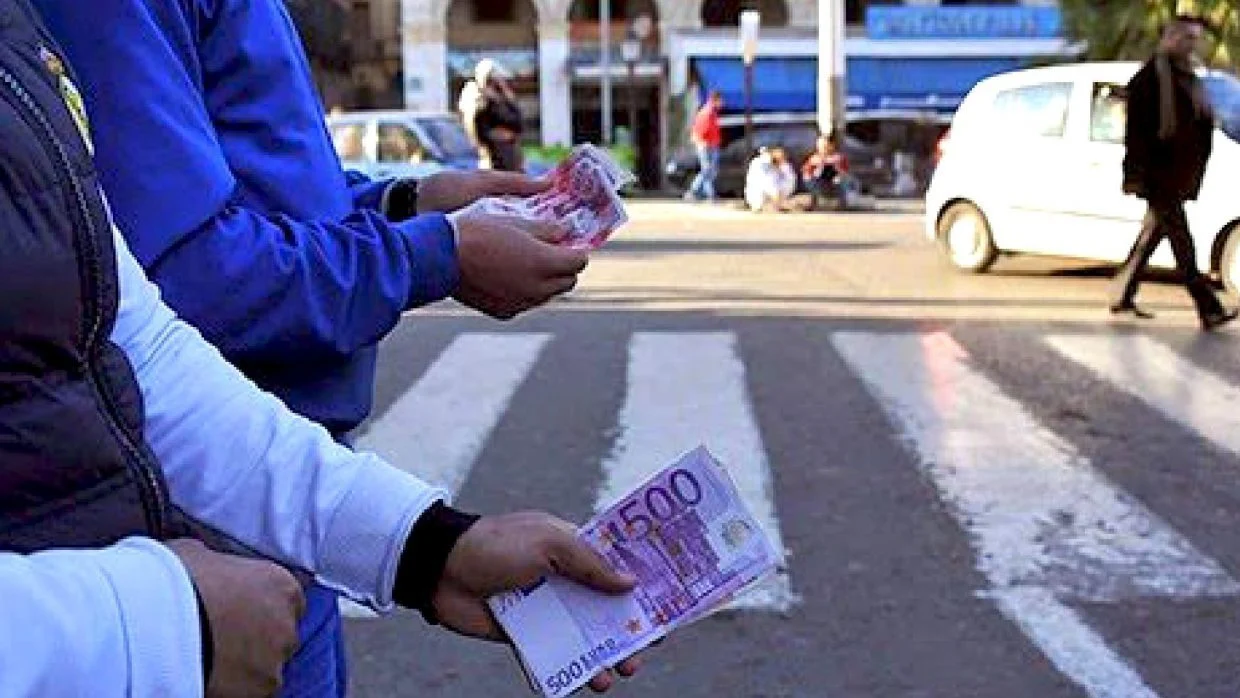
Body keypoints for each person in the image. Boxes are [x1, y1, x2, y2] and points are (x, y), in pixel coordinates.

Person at [0, 5, 642, 694]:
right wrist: (149, 623)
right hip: (176, 586)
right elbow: (190, 271)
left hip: (237, 557)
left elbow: (135, 346)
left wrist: (427, 547)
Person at [1111, 14, 1237, 330]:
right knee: (1183, 244)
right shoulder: (1149, 81)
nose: (1190, 44)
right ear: (1168, 38)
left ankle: (1121, 293)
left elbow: (1199, 124)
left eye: (1194, 39)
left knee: (1150, 237)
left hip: (1180, 174)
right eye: (1185, 38)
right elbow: (1136, 135)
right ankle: (1208, 307)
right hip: (1159, 176)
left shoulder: (1186, 77)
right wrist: (1136, 176)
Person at [460, 59, 525, 172]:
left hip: (511, 156)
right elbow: (478, 131)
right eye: (492, 79)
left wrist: (507, 99)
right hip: (492, 157)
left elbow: (519, 124)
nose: (498, 82)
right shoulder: (477, 98)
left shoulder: (504, 99)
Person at [801, 133, 859, 210]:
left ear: (831, 146)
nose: (822, 148)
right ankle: (813, 203)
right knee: (807, 177)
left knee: (841, 178)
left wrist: (836, 170)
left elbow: (845, 172)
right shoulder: (814, 158)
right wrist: (815, 168)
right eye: (820, 146)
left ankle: (843, 204)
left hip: (835, 184)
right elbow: (805, 171)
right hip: (820, 184)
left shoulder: (839, 158)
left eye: (825, 146)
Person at [685, 90, 724, 202]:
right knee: (708, 170)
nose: (722, 103)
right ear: (715, 100)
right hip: (707, 144)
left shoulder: (709, 112)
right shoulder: (708, 113)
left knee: (708, 170)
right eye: (720, 101)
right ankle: (702, 193)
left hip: (709, 144)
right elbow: (702, 129)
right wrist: (703, 142)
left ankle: (702, 193)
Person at [744, 147, 798, 212]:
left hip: (779, 198)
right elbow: (769, 186)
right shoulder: (760, 164)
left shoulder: (784, 165)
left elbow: (790, 182)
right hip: (760, 200)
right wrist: (780, 202)